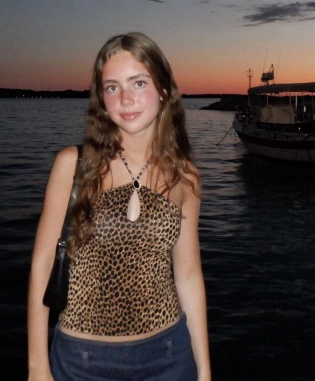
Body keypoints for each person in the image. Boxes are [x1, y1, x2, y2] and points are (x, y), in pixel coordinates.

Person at [27, 33, 210, 381]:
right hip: (82, 361)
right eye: (112, 87)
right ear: (102, 99)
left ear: (163, 90)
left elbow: (188, 276)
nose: (125, 99)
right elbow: (42, 265)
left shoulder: (185, 176)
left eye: (138, 83)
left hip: (169, 355)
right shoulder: (74, 165)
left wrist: (205, 372)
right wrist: (37, 367)